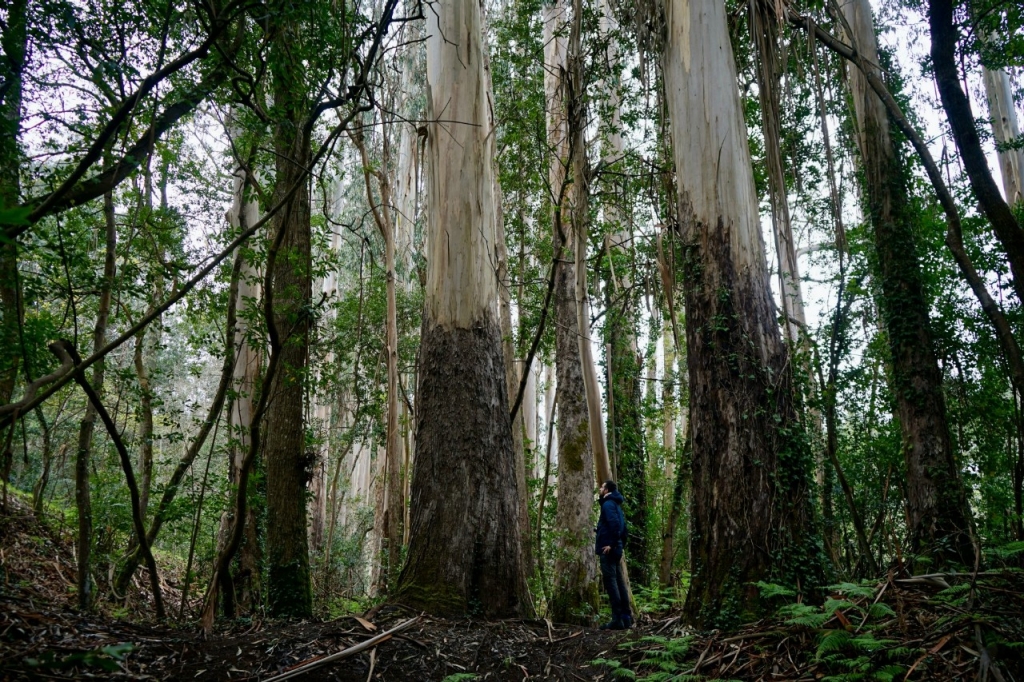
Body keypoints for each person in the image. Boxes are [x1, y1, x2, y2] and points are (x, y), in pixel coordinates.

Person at [595, 480, 632, 630]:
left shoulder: (608, 504)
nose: (600, 488)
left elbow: (616, 525)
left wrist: (611, 544)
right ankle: (626, 618)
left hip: (608, 549)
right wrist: (619, 544)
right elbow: (624, 530)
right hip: (616, 548)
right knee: (620, 582)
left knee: (611, 584)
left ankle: (617, 619)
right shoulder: (615, 504)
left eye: (602, 487)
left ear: (607, 490)